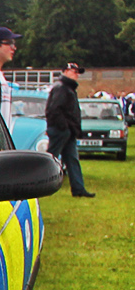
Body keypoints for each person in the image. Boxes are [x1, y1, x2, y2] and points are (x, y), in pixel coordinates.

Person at [45, 63, 94, 198]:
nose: (77, 74)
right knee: (50, 159)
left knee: (72, 159)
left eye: (78, 72)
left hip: (67, 130)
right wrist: (64, 127)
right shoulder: (62, 88)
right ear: (65, 71)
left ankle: (79, 189)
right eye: (74, 71)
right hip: (61, 130)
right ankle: (39, 185)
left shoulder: (68, 88)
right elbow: (54, 110)